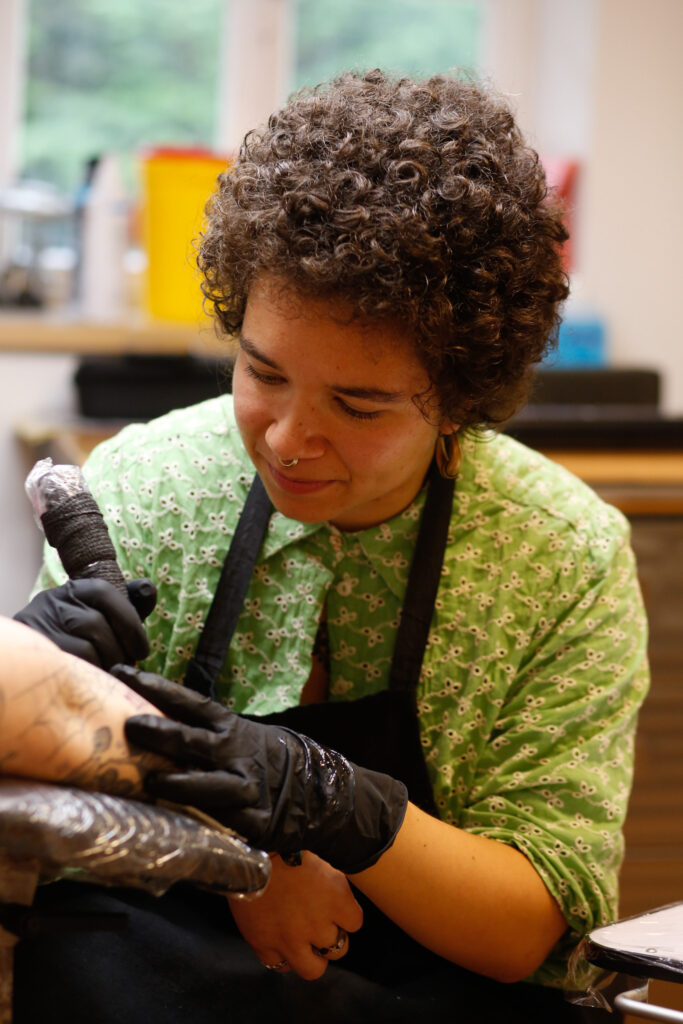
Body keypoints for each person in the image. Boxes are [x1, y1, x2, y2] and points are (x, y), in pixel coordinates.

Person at [13, 69, 649, 1022]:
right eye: (262, 372)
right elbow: (32, 827)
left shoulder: (557, 558)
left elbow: (526, 930)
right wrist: (232, 850)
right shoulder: (145, 493)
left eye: (359, 405)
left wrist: (335, 808)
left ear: (462, 398)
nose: (286, 438)